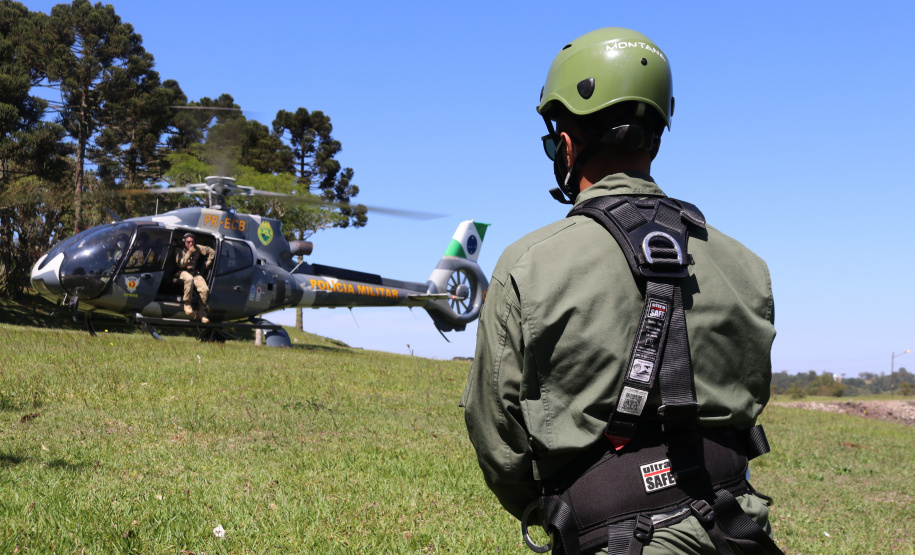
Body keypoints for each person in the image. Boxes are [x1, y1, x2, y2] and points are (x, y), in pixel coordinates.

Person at [462, 28, 781, 555]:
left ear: (565, 144)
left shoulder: (528, 264)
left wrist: (556, 506)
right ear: (656, 134)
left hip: (606, 535)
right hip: (736, 529)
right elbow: (751, 398)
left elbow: (499, 437)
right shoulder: (748, 266)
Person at [175, 232, 215, 323]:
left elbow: (212, 251)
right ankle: (187, 304)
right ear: (184, 242)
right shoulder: (179, 250)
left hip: (194, 272)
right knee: (189, 279)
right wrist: (189, 252)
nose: (190, 244)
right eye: (188, 242)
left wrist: (208, 263)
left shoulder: (197, 248)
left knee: (205, 289)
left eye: (192, 242)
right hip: (182, 272)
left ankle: (200, 314)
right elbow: (181, 264)